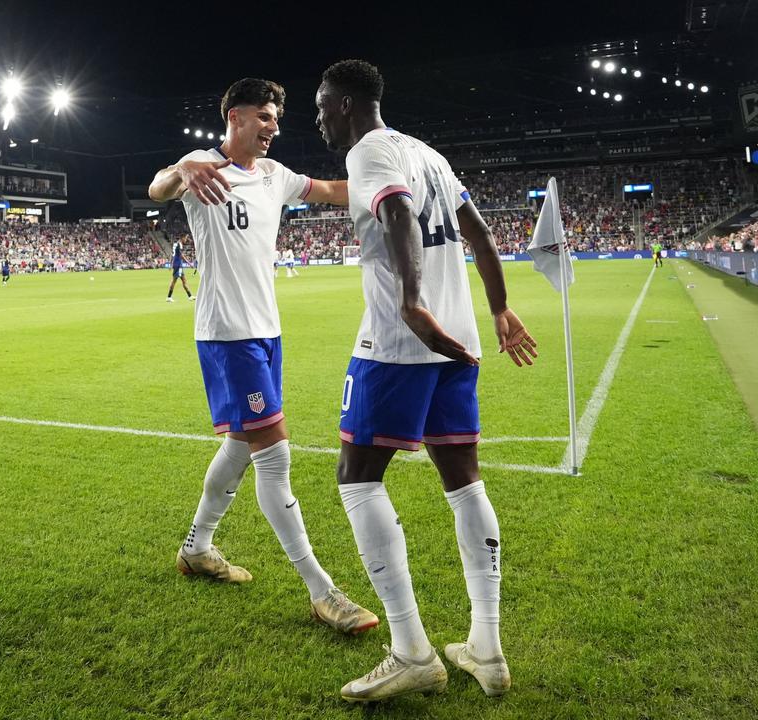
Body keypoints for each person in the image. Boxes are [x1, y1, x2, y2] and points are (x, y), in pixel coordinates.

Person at [315, 59, 537, 702]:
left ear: (350, 103)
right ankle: (486, 648)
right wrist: (497, 307)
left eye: (324, 105)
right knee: (464, 480)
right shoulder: (430, 154)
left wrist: (412, 303)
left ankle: (411, 648)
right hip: (458, 340)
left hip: (398, 341)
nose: (320, 116)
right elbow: (482, 234)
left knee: (357, 479)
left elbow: (399, 217)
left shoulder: (370, 151)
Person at [146, 77, 377, 635]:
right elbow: (159, 187)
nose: (274, 127)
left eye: (276, 118)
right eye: (265, 117)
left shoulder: (274, 176)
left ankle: (197, 547)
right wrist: (182, 171)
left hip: (267, 331)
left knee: (240, 444)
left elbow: (325, 190)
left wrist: (391, 183)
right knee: (274, 456)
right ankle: (324, 592)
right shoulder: (204, 163)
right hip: (228, 334)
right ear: (235, 116)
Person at [165, 237, 194, 302]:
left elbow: (173, 255)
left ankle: (190, 296)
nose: (186, 239)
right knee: (174, 281)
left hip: (178, 264)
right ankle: (169, 297)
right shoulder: (179, 244)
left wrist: (171, 264)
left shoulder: (176, 244)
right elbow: (181, 255)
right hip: (178, 265)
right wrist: (189, 263)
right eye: (185, 238)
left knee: (184, 280)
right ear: (182, 238)